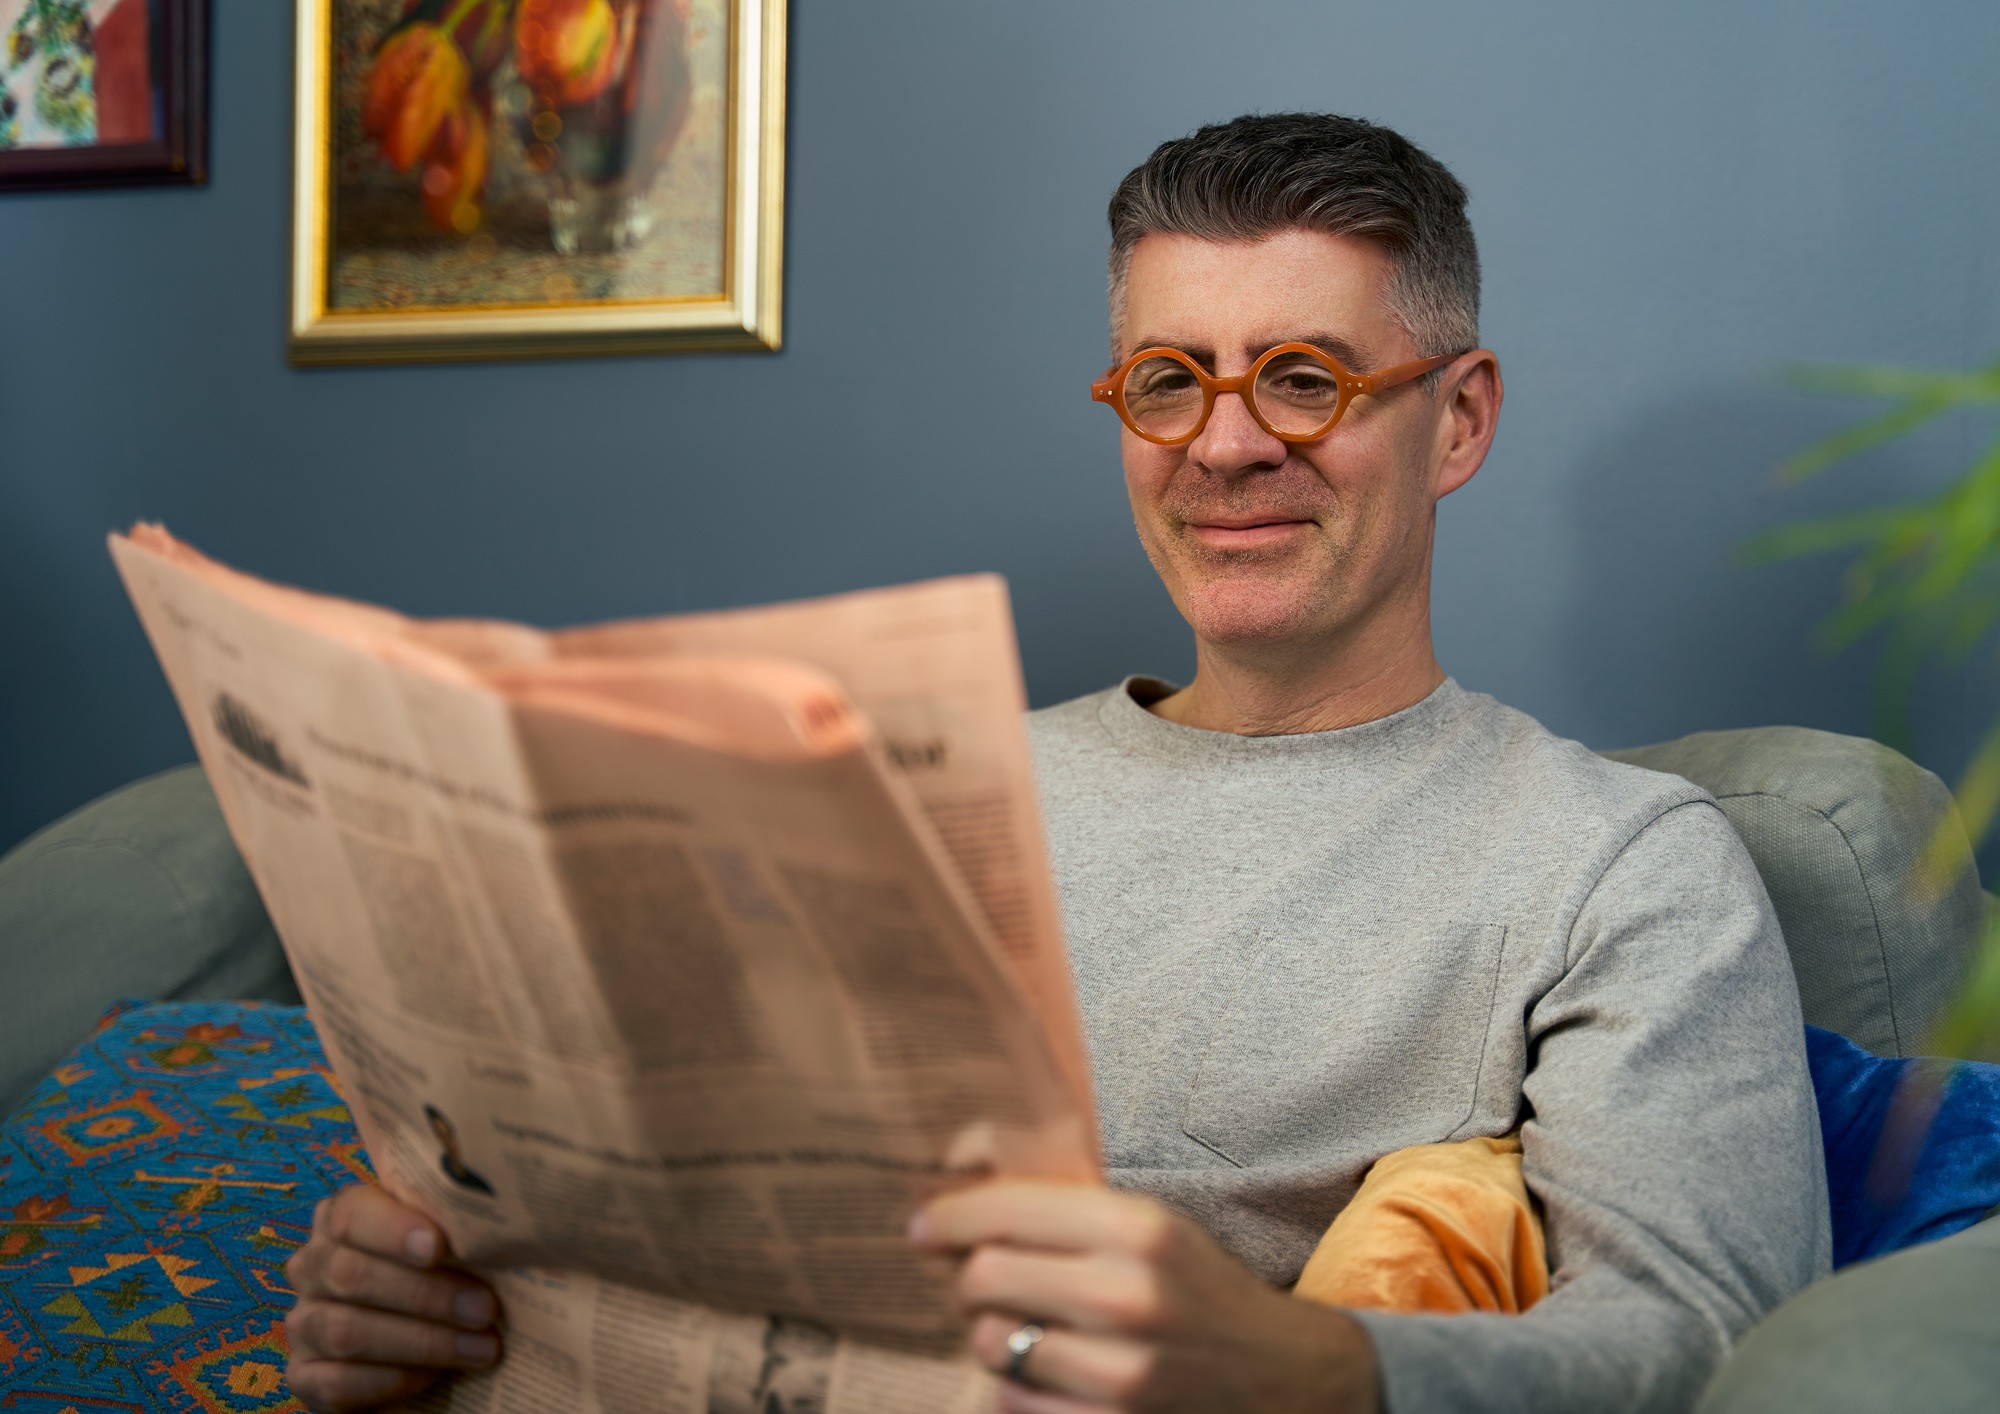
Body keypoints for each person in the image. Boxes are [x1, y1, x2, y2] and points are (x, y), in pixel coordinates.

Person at [281, 113, 1829, 1413]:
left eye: (1304, 376)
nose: (1224, 446)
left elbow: (1726, 1346)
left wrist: (1299, 1361)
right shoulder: (898, 791)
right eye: (1168, 379)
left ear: (1460, 419)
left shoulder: (1616, 861)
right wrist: (418, 1284)